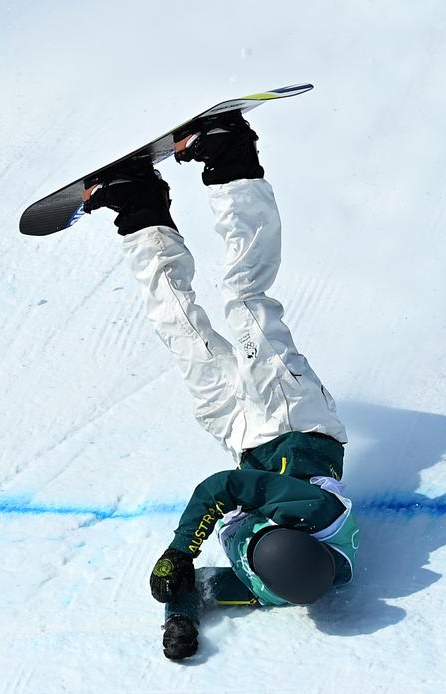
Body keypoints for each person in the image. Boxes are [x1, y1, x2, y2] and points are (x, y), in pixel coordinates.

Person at [82, 111, 359, 661]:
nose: (242, 541)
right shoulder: (315, 515)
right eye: (251, 540)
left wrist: (178, 623)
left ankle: (139, 205)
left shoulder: (273, 588)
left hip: (241, 436)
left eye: (245, 547)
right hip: (293, 417)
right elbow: (222, 491)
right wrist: (179, 549)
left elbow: (201, 587)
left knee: (182, 332)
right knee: (245, 300)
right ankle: (232, 155)